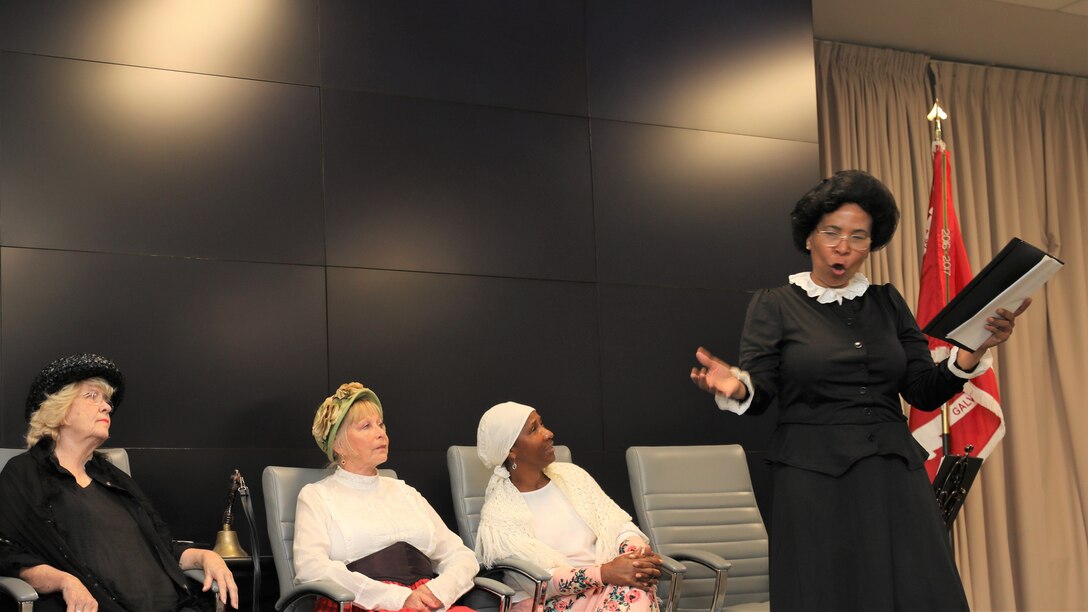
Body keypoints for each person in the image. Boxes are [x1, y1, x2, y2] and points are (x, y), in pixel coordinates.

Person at [689, 170, 1031, 611]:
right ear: (809, 237)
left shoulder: (889, 302)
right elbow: (762, 391)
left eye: (858, 237)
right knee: (826, 593)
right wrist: (736, 388)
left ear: (871, 245)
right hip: (812, 477)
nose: (843, 246)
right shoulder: (775, 304)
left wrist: (971, 351)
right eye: (831, 232)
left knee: (919, 590)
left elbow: (923, 391)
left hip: (892, 473)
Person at [0, 353, 239, 612]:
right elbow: (9, 553)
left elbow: (163, 549)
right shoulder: (24, 473)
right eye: (92, 396)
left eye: (107, 400)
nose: (107, 406)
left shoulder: (116, 480)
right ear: (60, 411)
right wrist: (64, 581)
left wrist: (207, 556)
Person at [294, 382, 478, 612]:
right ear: (338, 444)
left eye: (381, 424)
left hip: (425, 605)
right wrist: (395, 597)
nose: (381, 433)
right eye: (366, 426)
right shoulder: (317, 496)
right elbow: (311, 567)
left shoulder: (406, 492)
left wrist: (437, 591)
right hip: (359, 604)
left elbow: (461, 555)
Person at [475, 401, 663, 612]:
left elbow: (617, 524)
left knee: (634, 586)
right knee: (635, 593)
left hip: (606, 586)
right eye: (534, 429)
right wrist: (604, 573)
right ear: (511, 450)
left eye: (542, 424)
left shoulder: (573, 476)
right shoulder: (499, 514)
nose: (548, 433)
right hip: (546, 602)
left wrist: (633, 558)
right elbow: (536, 582)